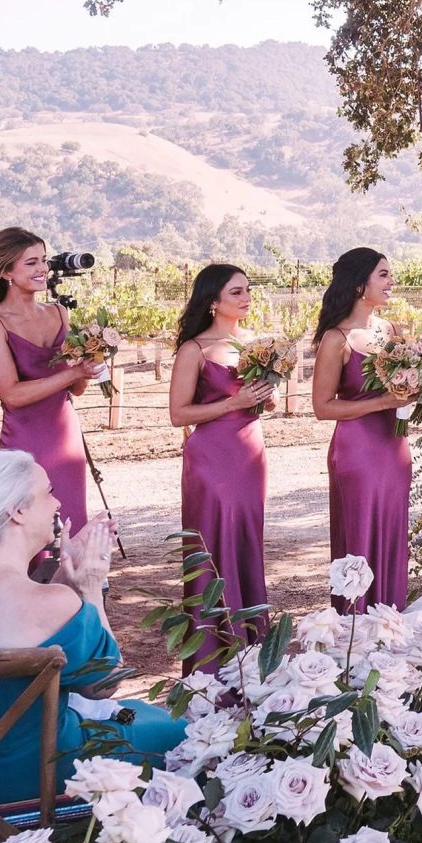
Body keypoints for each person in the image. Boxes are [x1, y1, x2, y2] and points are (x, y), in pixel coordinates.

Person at [0, 450, 183, 808]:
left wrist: (63, 581)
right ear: (16, 511)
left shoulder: (44, 601)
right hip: (43, 775)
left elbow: (16, 617)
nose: (58, 502)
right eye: (48, 492)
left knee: (145, 714)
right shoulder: (52, 604)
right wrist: (90, 588)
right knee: (186, 736)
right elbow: (105, 683)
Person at [169, 263, 276, 663]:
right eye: (236, 292)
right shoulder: (194, 349)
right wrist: (234, 403)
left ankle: (252, 653)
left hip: (250, 454)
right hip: (211, 458)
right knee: (213, 545)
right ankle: (212, 658)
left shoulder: (257, 344)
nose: (246, 297)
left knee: (247, 543)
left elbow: (258, 403)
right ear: (213, 300)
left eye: (248, 289)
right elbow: (178, 414)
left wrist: (265, 398)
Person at [311, 249, 418, 611]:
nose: (391, 282)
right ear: (360, 285)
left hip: (394, 447)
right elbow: (322, 407)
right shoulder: (336, 339)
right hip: (357, 451)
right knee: (358, 534)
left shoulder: (391, 331)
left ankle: (390, 618)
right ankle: (354, 624)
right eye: (383, 275)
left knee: (392, 533)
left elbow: (401, 388)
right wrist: (382, 402)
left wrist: (417, 391)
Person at [0, 226, 105, 541]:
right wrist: (73, 374)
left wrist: (88, 365)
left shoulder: (58, 313)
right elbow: (12, 395)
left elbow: (75, 390)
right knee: (27, 526)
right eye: (31, 262)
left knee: (69, 521)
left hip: (66, 437)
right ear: (7, 272)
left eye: (43, 260)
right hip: (25, 440)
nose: (43, 268)